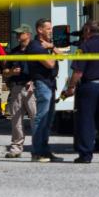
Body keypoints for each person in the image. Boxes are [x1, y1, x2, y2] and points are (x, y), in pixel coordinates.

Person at [62, 20, 99, 164]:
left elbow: (78, 72)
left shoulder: (84, 47)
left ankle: (85, 155)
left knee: (86, 120)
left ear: (88, 31)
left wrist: (70, 88)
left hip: (89, 88)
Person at [25, 17, 61, 162]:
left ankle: (45, 151)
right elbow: (50, 63)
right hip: (42, 84)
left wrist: (52, 47)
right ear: (40, 30)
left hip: (50, 84)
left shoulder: (45, 45)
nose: (51, 31)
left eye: (51, 28)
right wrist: (52, 48)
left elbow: (61, 56)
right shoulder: (35, 46)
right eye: (48, 28)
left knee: (48, 120)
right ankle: (37, 152)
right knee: (41, 118)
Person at [2, 24, 36, 158]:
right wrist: (11, 72)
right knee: (16, 120)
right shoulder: (13, 52)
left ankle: (38, 147)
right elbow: (4, 72)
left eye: (20, 33)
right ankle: (16, 148)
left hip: (32, 89)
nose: (17, 36)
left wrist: (33, 81)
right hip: (16, 87)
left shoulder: (35, 50)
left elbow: (43, 69)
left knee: (35, 118)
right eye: (16, 33)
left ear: (28, 34)